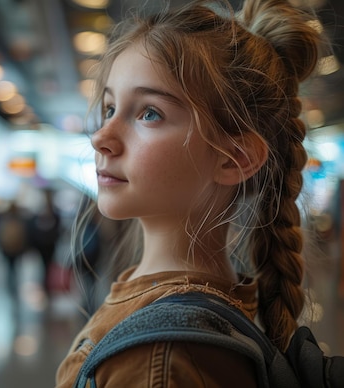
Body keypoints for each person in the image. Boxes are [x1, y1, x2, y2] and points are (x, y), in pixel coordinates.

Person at [56, 0, 325, 386]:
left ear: (234, 158)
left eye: (149, 113)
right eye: (110, 107)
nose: (101, 137)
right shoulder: (187, 314)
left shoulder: (162, 354)